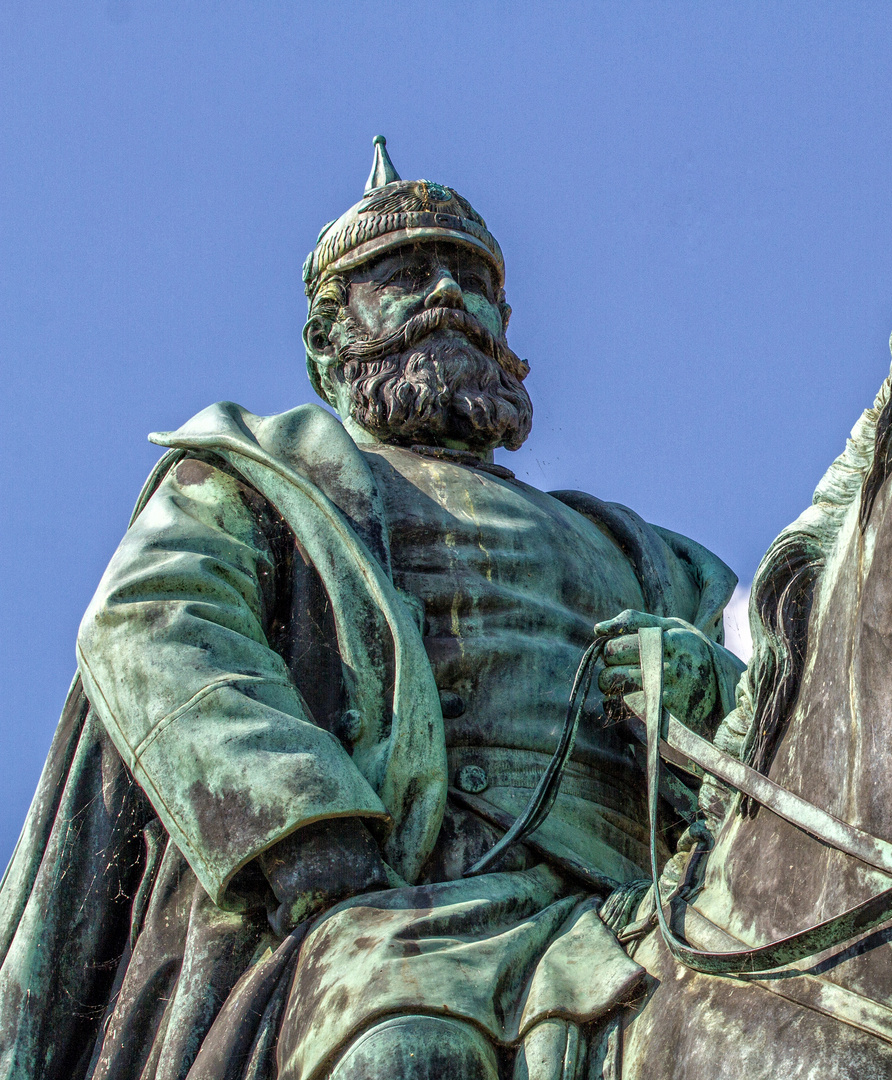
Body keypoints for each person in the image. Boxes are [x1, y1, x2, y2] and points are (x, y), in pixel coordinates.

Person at [0, 137, 744, 1080]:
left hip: (654, 903)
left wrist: (706, 674)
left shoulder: (647, 552)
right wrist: (309, 834)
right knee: (403, 1048)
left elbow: (790, 697)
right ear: (327, 337)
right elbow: (155, 620)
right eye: (405, 273)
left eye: (470, 278)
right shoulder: (265, 473)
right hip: (400, 905)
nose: (447, 295)